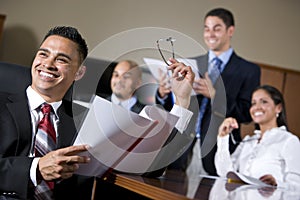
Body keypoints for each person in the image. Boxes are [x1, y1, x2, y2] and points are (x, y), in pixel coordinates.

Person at [0, 25, 196, 199]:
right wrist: (35, 168)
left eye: (62, 60)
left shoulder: (92, 120)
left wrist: (181, 101)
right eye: (43, 54)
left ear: (79, 73)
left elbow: (151, 166)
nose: (48, 64)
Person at [156, 7, 261, 175]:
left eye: (217, 28)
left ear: (230, 31)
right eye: (207, 28)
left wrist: (216, 96)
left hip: (217, 150)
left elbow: (247, 114)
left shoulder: (249, 70)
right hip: (181, 149)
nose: (210, 33)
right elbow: (179, 106)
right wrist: (163, 94)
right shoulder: (191, 63)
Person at [215, 85, 300, 191]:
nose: (257, 107)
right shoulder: (247, 142)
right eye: (253, 103)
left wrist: (277, 184)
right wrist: (223, 138)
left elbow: (297, 186)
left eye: (264, 102)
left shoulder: (289, 141)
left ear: (278, 108)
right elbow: (224, 173)